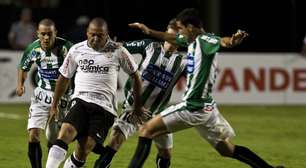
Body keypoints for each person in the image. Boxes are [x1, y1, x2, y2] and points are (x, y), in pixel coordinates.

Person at [128, 8, 284, 168]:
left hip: (193, 106)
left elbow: (221, 41)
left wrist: (231, 41)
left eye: (180, 28)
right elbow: (171, 37)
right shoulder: (190, 39)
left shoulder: (205, 40)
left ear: (190, 27)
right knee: (227, 149)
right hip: (207, 108)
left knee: (146, 130)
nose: (179, 32)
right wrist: (148, 31)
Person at [45, 17, 143, 168]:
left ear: (107, 34)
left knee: (84, 149)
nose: (95, 38)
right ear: (87, 33)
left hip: (105, 108)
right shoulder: (76, 50)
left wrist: (137, 107)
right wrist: (54, 105)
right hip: (81, 100)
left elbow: (136, 77)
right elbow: (63, 78)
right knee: (65, 133)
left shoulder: (118, 51)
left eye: (100, 35)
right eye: (92, 34)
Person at [16, 18, 73, 168]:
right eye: (43, 34)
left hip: (63, 98)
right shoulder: (33, 49)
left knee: (54, 139)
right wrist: (20, 84)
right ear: (37, 34)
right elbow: (23, 67)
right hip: (41, 96)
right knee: (33, 135)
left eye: (49, 34)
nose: (46, 38)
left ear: (55, 33)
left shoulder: (67, 48)